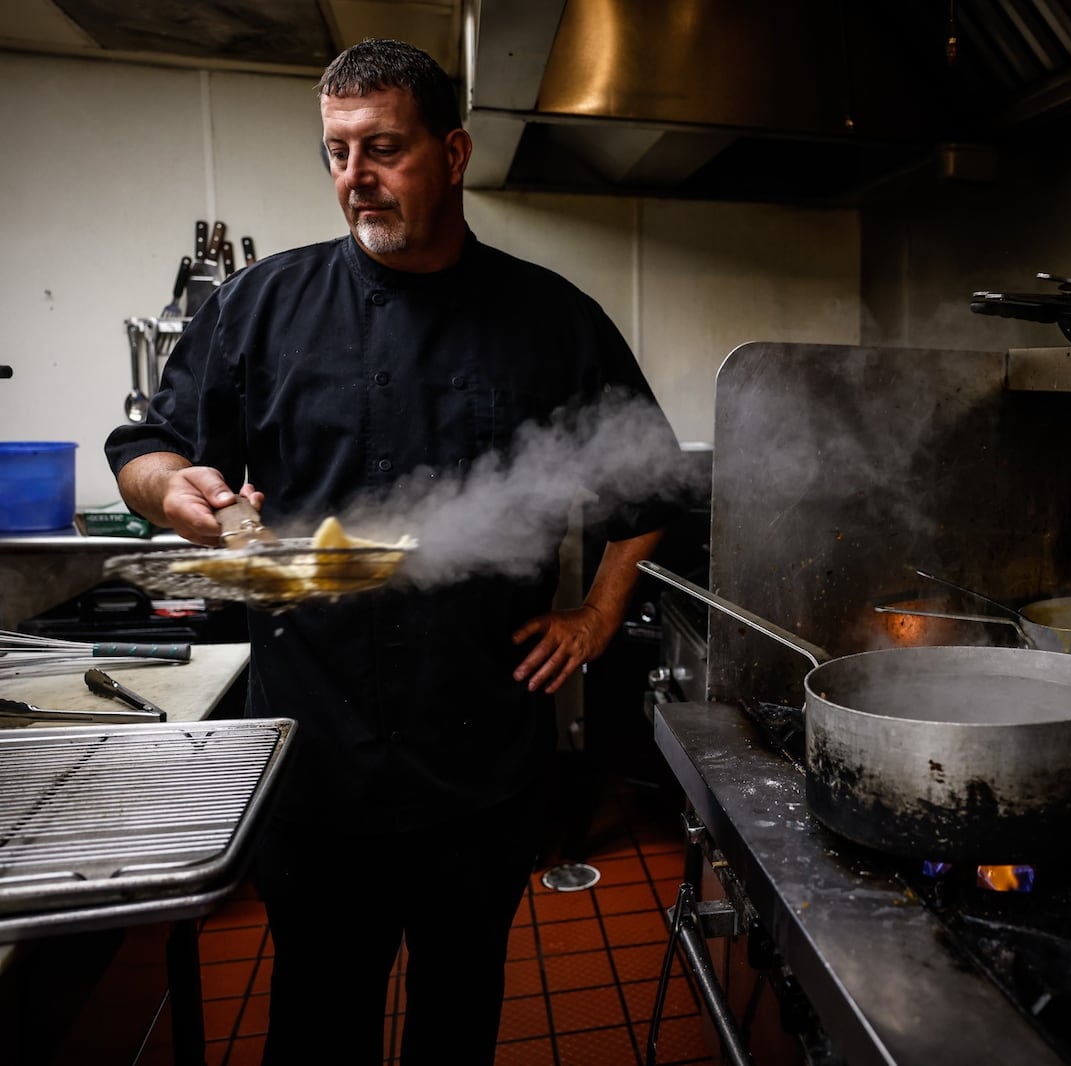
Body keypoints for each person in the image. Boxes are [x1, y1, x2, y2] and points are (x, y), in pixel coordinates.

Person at [105, 37, 685, 1064]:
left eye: (383, 149)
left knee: (458, 1014)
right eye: (336, 153)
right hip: (313, 758)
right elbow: (145, 448)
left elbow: (646, 486)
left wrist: (595, 617)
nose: (354, 180)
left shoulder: (551, 318)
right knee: (318, 1019)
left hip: (481, 762)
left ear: (453, 152)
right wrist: (173, 492)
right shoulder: (262, 305)